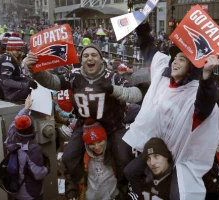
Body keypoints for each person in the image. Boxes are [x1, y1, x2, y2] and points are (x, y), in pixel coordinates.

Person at [25, 43, 142, 200]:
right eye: (86, 56)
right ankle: (74, 188)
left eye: (94, 55)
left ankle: (123, 191)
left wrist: (114, 90)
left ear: (101, 59)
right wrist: (34, 69)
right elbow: (52, 82)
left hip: (112, 127)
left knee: (124, 158)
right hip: (85, 124)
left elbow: (136, 94)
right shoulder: (75, 76)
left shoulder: (112, 77)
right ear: (81, 60)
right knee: (68, 157)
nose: (90, 58)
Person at [122, 22, 219, 200]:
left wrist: (207, 78)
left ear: (191, 67)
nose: (175, 61)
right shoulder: (162, 75)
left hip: (180, 156)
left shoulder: (194, 92)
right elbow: (149, 50)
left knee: (178, 194)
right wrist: (142, 26)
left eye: (182, 59)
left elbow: (204, 107)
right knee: (130, 171)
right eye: (174, 58)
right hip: (158, 150)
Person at [5, 95, 49, 200]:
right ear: (33, 128)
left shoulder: (11, 137)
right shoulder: (33, 149)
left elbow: (14, 123)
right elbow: (38, 174)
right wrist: (47, 169)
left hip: (17, 189)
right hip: (30, 193)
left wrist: (25, 109)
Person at [82, 118, 119, 200]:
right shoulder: (85, 158)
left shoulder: (114, 154)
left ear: (105, 139)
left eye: (99, 142)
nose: (97, 147)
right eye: (92, 144)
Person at [0, 36, 37, 101]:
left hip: (14, 91)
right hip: (13, 93)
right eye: (17, 50)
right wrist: (25, 85)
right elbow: (6, 81)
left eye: (20, 50)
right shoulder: (7, 59)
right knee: (39, 91)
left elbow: (17, 76)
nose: (19, 52)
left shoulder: (9, 57)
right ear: (11, 49)